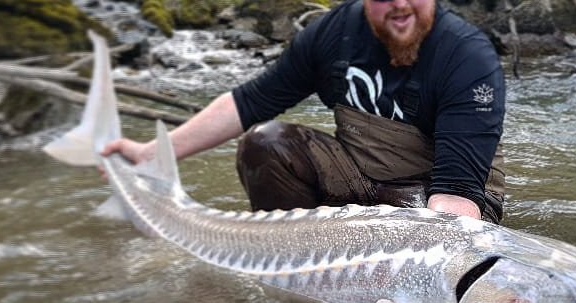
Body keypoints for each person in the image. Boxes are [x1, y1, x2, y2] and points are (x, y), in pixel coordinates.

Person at [102, 0, 507, 223]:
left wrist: (426, 272)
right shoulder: (335, 33)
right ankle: (300, 267)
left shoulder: (466, 56)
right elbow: (250, 102)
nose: (400, 6)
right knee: (266, 143)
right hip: (363, 180)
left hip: (447, 198)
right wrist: (150, 154)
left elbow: (456, 196)